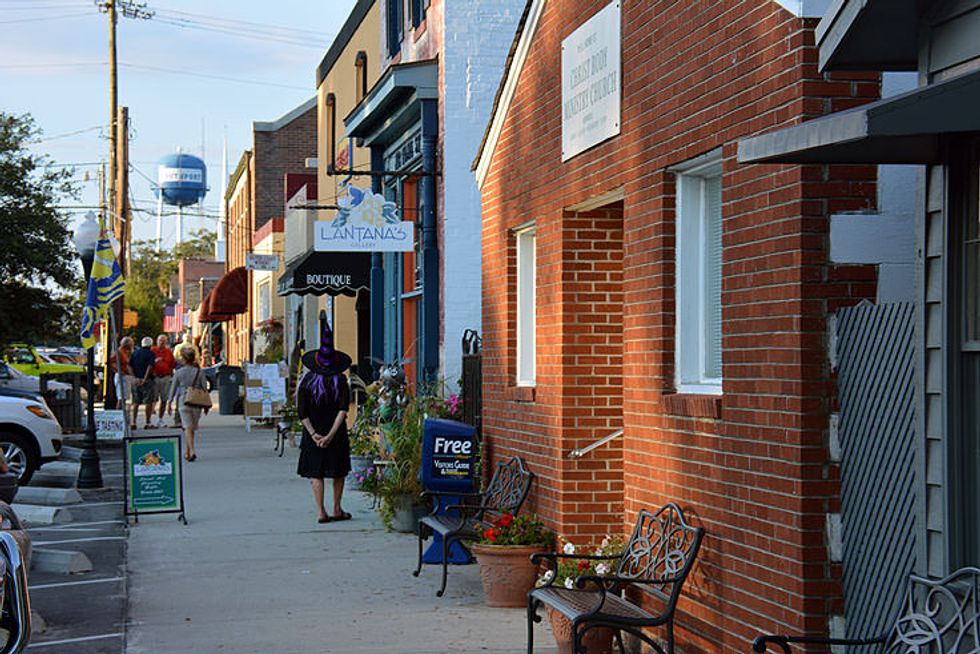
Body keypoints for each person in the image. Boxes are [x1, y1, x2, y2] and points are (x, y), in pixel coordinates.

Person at [296, 322, 353, 524]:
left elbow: (302, 413)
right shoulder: (341, 381)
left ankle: (321, 511)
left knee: (316, 472)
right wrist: (330, 435)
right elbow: (343, 410)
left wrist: (314, 434)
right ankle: (337, 508)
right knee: (338, 471)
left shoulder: (306, 383)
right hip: (335, 433)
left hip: (313, 433)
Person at [168, 347, 209, 462]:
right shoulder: (199, 372)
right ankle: (189, 451)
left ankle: (190, 451)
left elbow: (173, 388)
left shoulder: (179, 372)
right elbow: (204, 388)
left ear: (184, 359)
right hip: (196, 402)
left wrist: (169, 402)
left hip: (183, 401)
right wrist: (206, 405)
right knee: (191, 428)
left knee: (187, 427)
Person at [129, 337, 156, 430]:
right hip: (147, 381)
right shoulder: (151, 354)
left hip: (136, 380)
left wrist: (134, 377)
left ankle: (133, 422)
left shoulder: (134, 353)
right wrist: (145, 378)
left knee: (136, 402)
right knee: (148, 402)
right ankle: (147, 422)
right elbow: (150, 366)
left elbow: (129, 366)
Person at [151, 334, 176, 428]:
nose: (162, 343)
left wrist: (171, 375)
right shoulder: (153, 350)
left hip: (165, 377)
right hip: (155, 377)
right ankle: (150, 419)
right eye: (160, 341)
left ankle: (160, 419)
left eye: (164, 341)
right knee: (153, 399)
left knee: (164, 399)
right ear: (157, 341)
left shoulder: (168, 351)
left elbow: (172, 364)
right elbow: (147, 363)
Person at [109, 337, 134, 411]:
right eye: (131, 343)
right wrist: (118, 370)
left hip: (126, 376)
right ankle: (118, 413)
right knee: (121, 397)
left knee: (124, 397)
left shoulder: (126, 352)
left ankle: (122, 412)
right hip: (121, 377)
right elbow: (111, 362)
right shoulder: (119, 352)